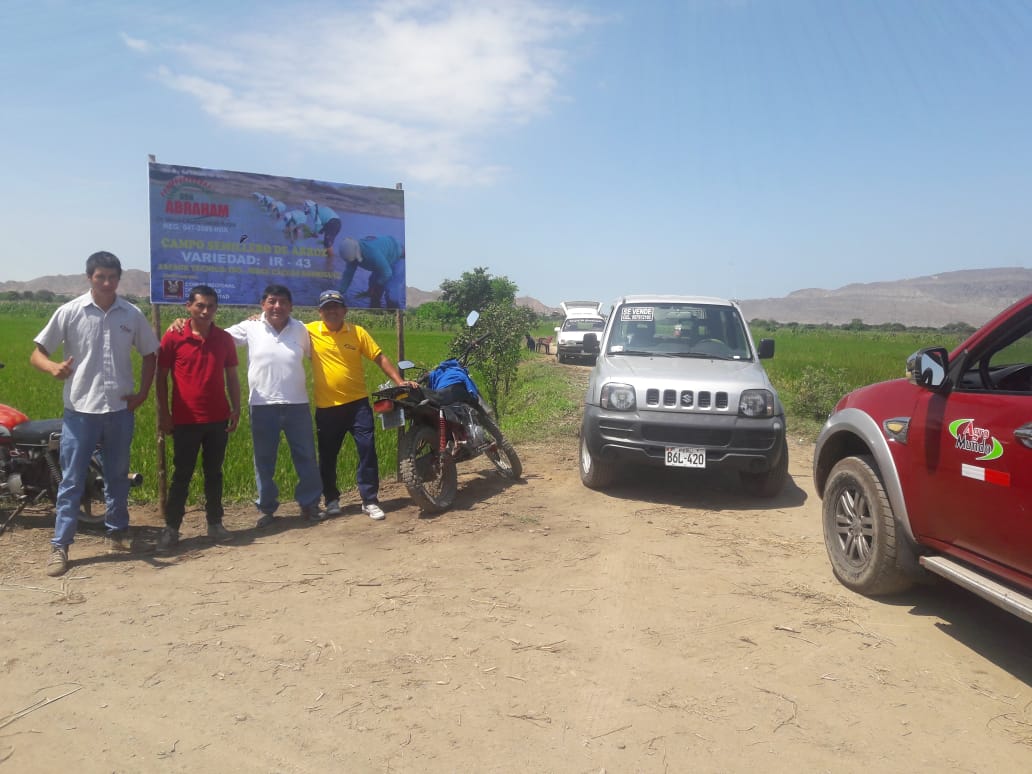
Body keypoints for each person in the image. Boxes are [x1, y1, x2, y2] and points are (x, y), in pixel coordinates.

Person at [31, 251, 159, 577]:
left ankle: (117, 533)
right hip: (80, 412)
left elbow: (150, 354)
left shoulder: (131, 314)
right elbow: (37, 353)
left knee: (117, 476)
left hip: (118, 411)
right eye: (100, 276)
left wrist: (142, 393)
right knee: (72, 480)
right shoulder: (70, 312)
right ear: (89, 277)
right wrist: (52, 367)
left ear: (119, 279)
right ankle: (60, 545)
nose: (106, 282)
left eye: (112, 277)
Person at [306, 289, 414, 520]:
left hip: (358, 406)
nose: (331, 311)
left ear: (344, 310)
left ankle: (370, 500)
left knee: (367, 451)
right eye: (327, 307)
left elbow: (379, 357)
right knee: (327, 456)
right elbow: (281, 327)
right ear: (320, 312)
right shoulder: (308, 331)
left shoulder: (357, 332)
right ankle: (332, 500)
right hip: (327, 408)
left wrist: (400, 381)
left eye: (336, 306)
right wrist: (257, 320)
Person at [223, 284, 324, 527]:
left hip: (297, 404)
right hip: (262, 405)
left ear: (291, 306)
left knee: (306, 457)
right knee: (264, 460)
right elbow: (217, 338)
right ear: (262, 304)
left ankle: (309, 504)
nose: (277, 306)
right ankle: (266, 509)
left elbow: (323, 351)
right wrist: (183, 325)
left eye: (282, 302)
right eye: (272, 301)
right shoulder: (250, 327)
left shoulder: (301, 329)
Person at [155, 285, 242, 552]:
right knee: (182, 475)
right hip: (185, 420)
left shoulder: (224, 339)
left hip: (217, 417)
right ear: (188, 307)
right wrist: (164, 415)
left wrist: (236, 408)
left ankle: (215, 523)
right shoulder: (173, 337)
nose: (206, 311)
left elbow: (232, 376)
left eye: (211, 306)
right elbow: (161, 378)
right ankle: (172, 529)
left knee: (214, 473)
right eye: (200, 306)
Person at [338, 235, 405, 308]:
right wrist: (338, 293)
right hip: (383, 259)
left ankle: (396, 314)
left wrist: (376, 286)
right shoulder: (351, 253)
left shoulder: (372, 254)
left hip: (398, 257)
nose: (353, 262)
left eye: (355, 260)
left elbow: (387, 273)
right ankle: (375, 309)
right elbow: (347, 276)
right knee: (373, 285)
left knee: (391, 293)